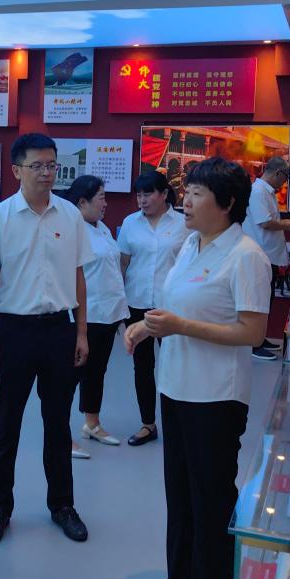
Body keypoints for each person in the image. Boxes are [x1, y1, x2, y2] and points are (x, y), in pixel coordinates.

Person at [124, 157, 271, 579]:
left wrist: (180, 327)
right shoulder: (191, 244)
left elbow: (253, 332)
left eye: (197, 194)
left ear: (226, 203)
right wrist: (148, 325)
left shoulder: (246, 256)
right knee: (181, 498)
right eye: (186, 192)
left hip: (215, 398)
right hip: (175, 388)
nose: (185, 201)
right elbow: (180, 305)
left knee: (210, 503)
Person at [0, 132, 93, 546]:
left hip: (59, 330)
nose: (46, 173)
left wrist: (81, 331)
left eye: (52, 165)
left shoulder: (70, 216)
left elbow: (79, 276)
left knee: (58, 423)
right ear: (16, 170)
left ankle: (62, 505)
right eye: (37, 165)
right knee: (6, 423)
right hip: (14, 332)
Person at [118, 171, 188, 447]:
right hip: (137, 304)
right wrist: (120, 305)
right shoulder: (130, 223)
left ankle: (178, 425)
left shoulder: (183, 224)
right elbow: (123, 264)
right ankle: (148, 424)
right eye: (139, 195)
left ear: (164, 194)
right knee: (142, 366)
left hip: (170, 307)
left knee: (175, 366)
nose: (142, 200)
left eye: (148, 194)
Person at [59, 175, 129, 454]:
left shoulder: (102, 229)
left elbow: (111, 273)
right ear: (82, 202)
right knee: (70, 377)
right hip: (84, 317)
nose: (105, 203)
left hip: (108, 316)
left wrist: (121, 316)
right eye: (101, 197)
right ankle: (60, 434)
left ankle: (92, 423)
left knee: (97, 372)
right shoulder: (70, 232)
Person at [241, 156, 290, 361]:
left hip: (268, 255)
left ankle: (259, 338)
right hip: (261, 254)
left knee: (266, 298)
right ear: (277, 173)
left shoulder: (265, 191)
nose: (285, 182)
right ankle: (253, 343)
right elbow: (264, 222)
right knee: (258, 301)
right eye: (286, 177)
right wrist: (287, 224)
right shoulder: (258, 192)